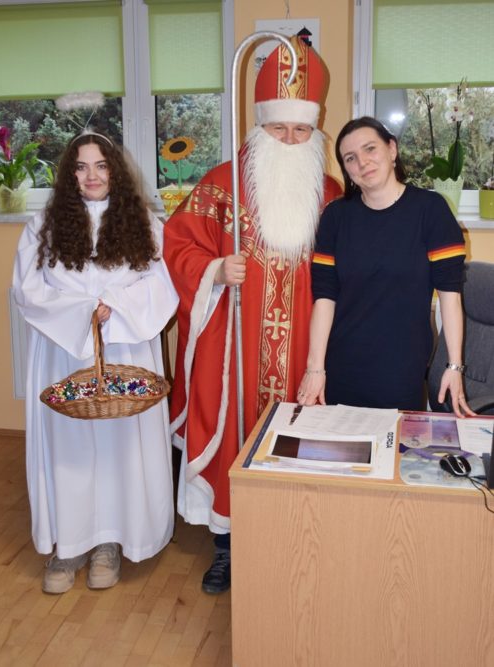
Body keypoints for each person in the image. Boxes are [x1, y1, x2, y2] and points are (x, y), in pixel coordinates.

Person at [163, 35, 342, 594]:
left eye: (301, 130)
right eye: (278, 127)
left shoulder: (331, 193)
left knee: (302, 440)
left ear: (315, 130)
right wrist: (216, 269)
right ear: (259, 125)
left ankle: (293, 538)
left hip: (307, 347)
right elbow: (178, 245)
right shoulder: (223, 185)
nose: (289, 139)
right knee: (237, 435)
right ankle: (228, 544)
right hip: (234, 345)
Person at [12, 131, 179, 594]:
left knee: (118, 447)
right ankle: (70, 544)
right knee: (69, 450)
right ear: (69, 174)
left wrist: (115, 306)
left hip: (124, 349)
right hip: (64, 352)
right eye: (81, 167)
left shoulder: (143, 223)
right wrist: (80, 312)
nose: (91, 176)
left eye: (101, 166)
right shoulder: (42, 226)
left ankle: (110, 542)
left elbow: (162, 284)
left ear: (115, 171)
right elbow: (28, 290)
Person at [297, 116, 475, 418]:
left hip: (401, 368)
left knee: (392, 443)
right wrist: (315, 368)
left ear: (392, 149)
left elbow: (450, 295)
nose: (362, 162)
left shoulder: (431, 210)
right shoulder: (335, 217)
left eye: (370, 149)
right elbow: (325, 297)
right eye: (350, 158)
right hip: (342, 365)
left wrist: (454, 366)